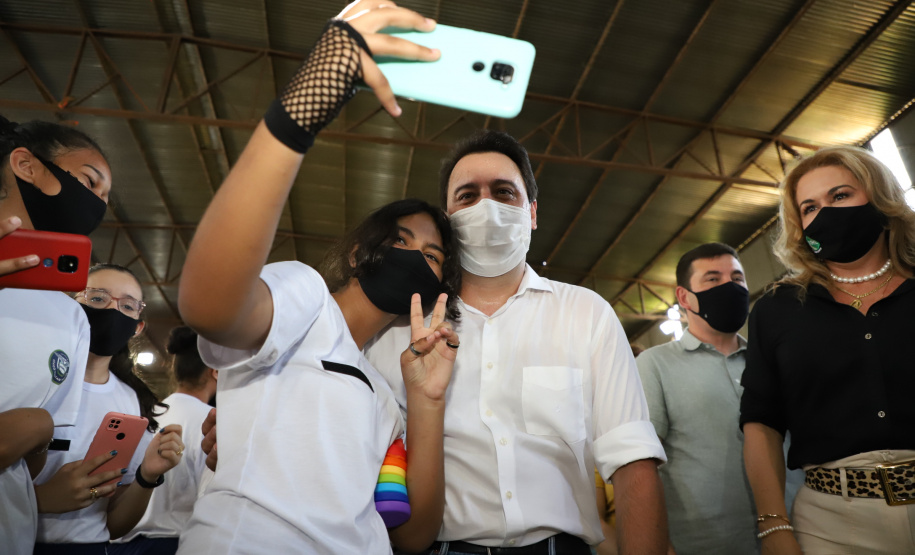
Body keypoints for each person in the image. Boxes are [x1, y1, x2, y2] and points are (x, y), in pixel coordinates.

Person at [175, 2, 462, 553]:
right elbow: (209, 307)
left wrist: (426, 401)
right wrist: (302, 111)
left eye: (431, 255)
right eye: (400, 240)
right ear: (358, 254)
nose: (414, 256)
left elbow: (412, 536)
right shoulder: (305, 299)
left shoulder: (386, 390)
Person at [364, 132, 670, 553]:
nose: (486, 206)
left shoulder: (587, 314)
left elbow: (632, 460)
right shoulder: (403, 329)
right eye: (467, 196)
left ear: (532, 213)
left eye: (504, 193)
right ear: (447, 219)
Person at [741, 145, 915, 554]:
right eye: (809, 207)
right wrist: (773, 526)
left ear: (879, 197)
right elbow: (761, 423)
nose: (826, 213)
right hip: (834, 523)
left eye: (840, 196)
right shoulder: (776, 309)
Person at [0, 115, 114, 554]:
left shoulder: (71, 316)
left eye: (106, 197)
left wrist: (37, 427)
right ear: (27, 165)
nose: (99, 203)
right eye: (91, 182)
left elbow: (34, 457)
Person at [32, 264, 185, 553]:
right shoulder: (34, 379)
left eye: (127, 306)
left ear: (137, 326)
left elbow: (114, 524)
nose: (113, 312)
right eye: (98, 298)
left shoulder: (129, 401)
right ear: (73, 305)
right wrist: (38, 500)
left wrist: (147, 476)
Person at [636, 242, 757, 554]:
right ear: (684, 297)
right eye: (713, 279)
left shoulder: (767, 359)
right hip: (703, 543)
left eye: (737, 278)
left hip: (793, 536)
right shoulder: (655, 364)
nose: (730, 286)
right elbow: (641, 465)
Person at [110, 326, 218, 555]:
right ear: (214, 371)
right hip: (172, 543)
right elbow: (211, 501)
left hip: (118, 541)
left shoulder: (145, 414)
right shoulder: (210, 422)